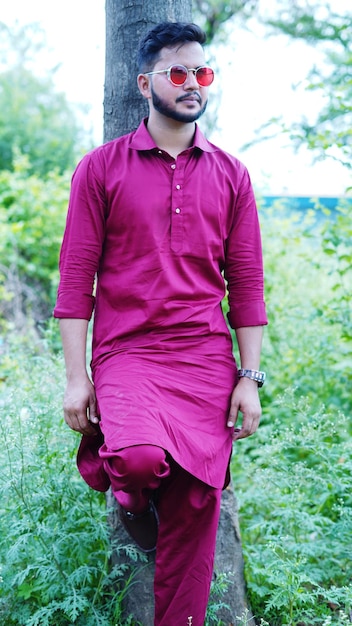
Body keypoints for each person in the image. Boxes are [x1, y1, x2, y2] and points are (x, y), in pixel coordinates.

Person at [54, 21, 267, 626]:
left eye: (202, 73)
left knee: (199, 497)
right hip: (127, 354)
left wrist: (248, 377)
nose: (194, 84)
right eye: (179, 73)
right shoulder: (99, 169)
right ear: (145, 82)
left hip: (204, 358)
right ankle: (130, 499)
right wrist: (77, 379)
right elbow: (76, 284)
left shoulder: (232, 175)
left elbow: (247, 288)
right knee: (140, 460)